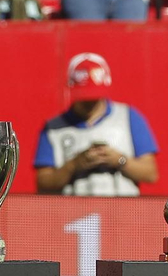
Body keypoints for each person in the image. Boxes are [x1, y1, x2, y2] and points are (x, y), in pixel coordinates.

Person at [34, 52, 161, 196]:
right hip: (74, 216)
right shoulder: (54, 128)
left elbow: (151, 174)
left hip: (122, 214)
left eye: (94, 96)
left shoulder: (128, 117)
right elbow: (43, 183)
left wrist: (118, 160)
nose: (89, 103)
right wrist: (75, 164)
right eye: (84, 96)